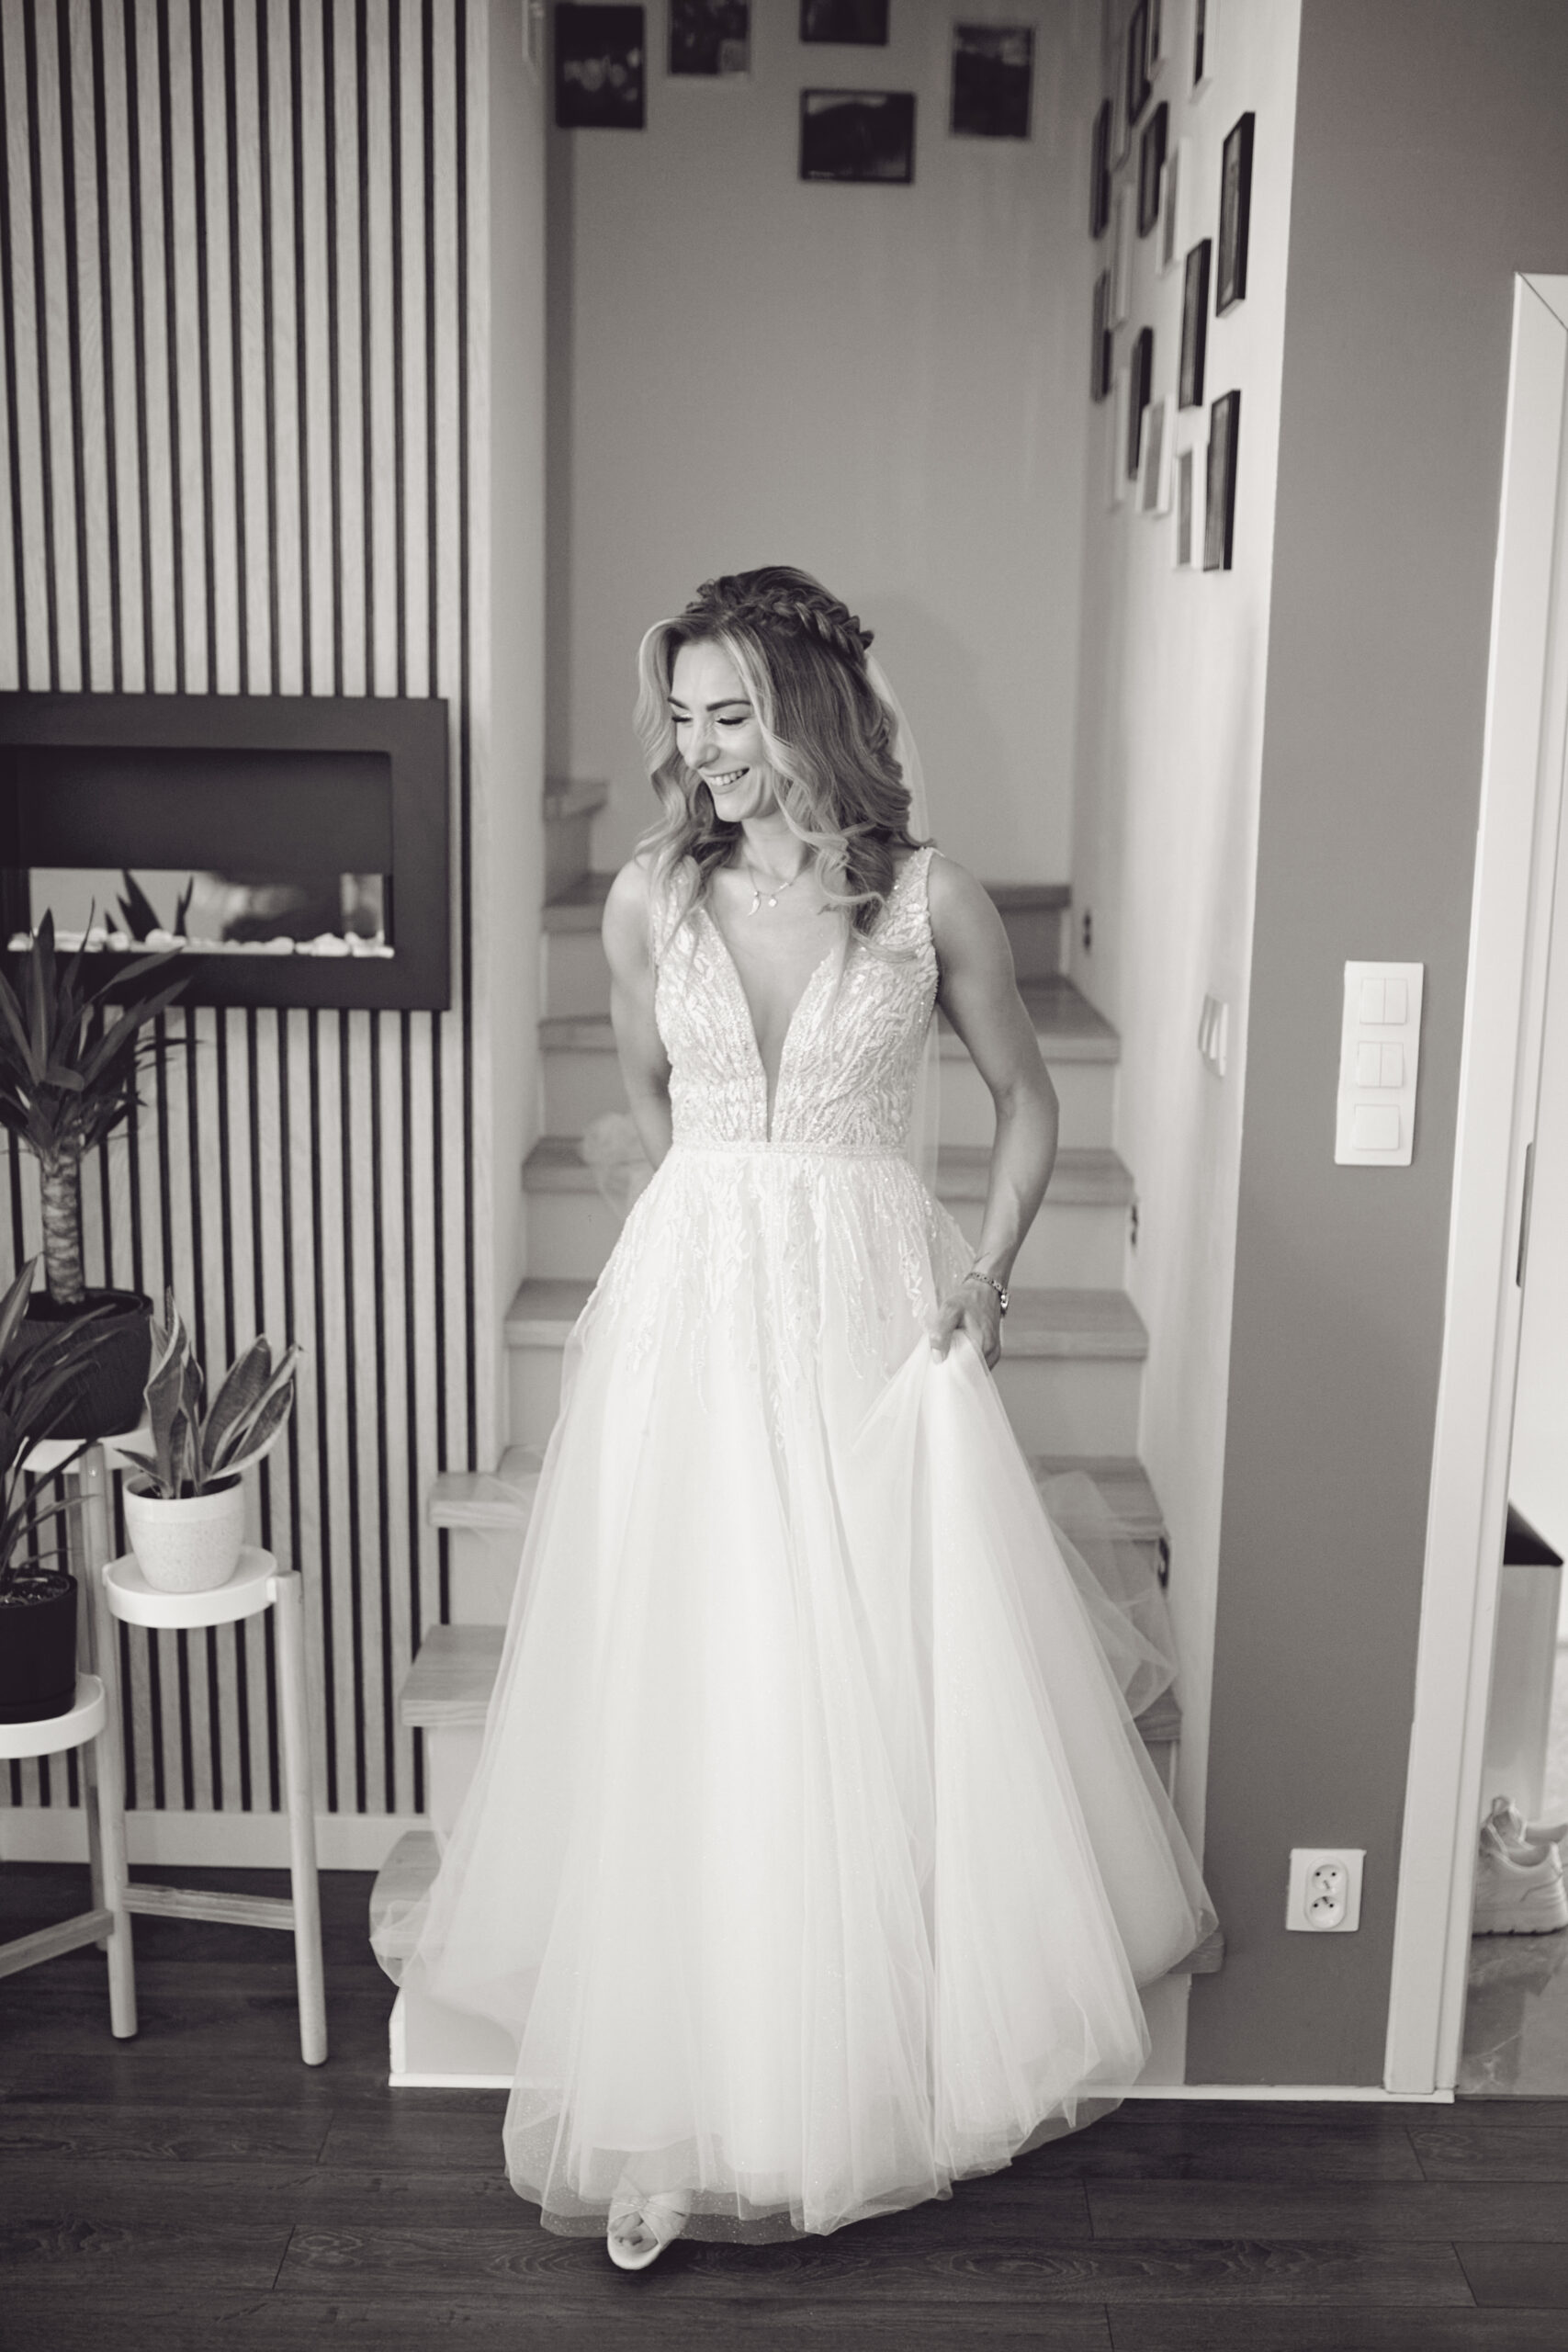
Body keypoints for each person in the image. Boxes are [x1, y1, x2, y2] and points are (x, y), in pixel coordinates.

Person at [375, 566, 1214, 2270]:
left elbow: (1029, 1102)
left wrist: (988, 1281)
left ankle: (866, 2082)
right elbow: (650, 1100)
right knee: (701, 1691)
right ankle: (672, 2112)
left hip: (867, 1311)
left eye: (734, 715)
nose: (703, 751)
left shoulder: (930, 903)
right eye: (684, 718)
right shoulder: (647, 897)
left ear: (813, 709)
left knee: (864, 1686)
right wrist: (692, 1239)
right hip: (695, 1313)